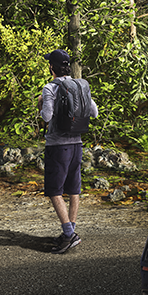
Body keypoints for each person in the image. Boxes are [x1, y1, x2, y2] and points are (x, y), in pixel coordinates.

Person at [39, 49, 98, 254]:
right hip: (77, 144)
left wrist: (40, 105)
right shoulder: (79, 85)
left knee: (55, 190)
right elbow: (94, 112)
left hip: (58, 146)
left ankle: (68, 234)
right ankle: (70, 232)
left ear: (51, 67)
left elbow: (47, 116)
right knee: (74, 189)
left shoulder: (50, 88)